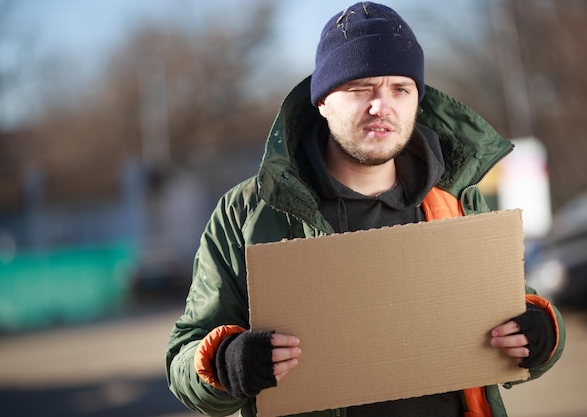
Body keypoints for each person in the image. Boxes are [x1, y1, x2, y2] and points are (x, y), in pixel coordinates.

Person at [166, 2, 565, 416]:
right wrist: (226, 363)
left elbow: (522, 309)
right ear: (322, 101)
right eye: (360, 89)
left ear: (416, 100)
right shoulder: (249, 212)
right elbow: (184, 356)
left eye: (400, 89)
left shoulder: (456, 199)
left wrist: (539, 335)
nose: (381, 106)